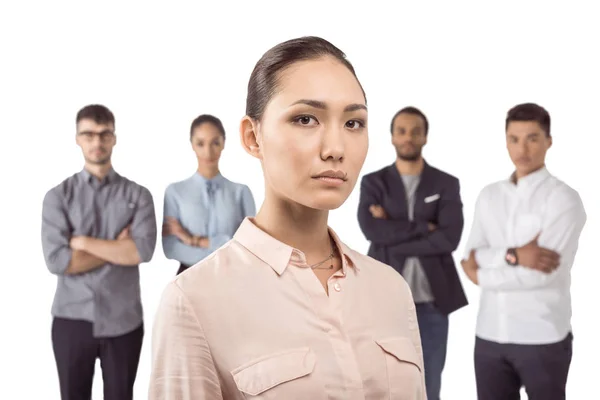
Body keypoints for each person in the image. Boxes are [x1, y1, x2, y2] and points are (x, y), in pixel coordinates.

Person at [148, 36, 426, 399]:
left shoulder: (391, 290)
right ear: (252, 137)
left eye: (353, 123)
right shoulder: (194, 302)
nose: (336, 149)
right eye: (305, 119)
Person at [461, 103, 586, 400]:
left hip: (542, 336)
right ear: (505, 140)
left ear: (549, 141)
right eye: (514, 139)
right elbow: (469, 255)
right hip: (489, 335)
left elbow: (541, 277)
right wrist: (514, 256)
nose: (522, 148)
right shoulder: (489, 195)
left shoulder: (564, 200)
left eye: (532, 137)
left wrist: (481, 274)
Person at [41, 104, 157, 400]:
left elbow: (142, 251)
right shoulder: (57, 197)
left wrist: (82, 242)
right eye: (88, 134)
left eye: (104, 134)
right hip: (71, 318)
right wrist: (118, 247)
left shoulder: (138, 195)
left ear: (114, 138)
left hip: (124, 321)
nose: (97, 142)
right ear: (77, 138)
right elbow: (57, 261)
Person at [357, 106, 467, 400]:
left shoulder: (446, 183)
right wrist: (424, 227)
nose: (408, 137)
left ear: (425, 137)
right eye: (402, 131)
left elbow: (450, 238)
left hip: (433, 303)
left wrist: (392, 233)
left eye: (415, 131)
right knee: (383, 385)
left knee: (429, 386)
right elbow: (372, 231)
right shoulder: (373, 182)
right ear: (392, 137)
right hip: (384, 302)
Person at [162, 114, 256, 275]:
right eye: (200, 143)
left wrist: (192, 240)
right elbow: (171, 248)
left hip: (231, 278)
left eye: (215, 143)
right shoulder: (175, 192)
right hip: (188, 279)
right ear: (192, 144)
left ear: (223, 143)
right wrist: (225, 245)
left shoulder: (241, 192)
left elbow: (250, 244)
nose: (208, 151)